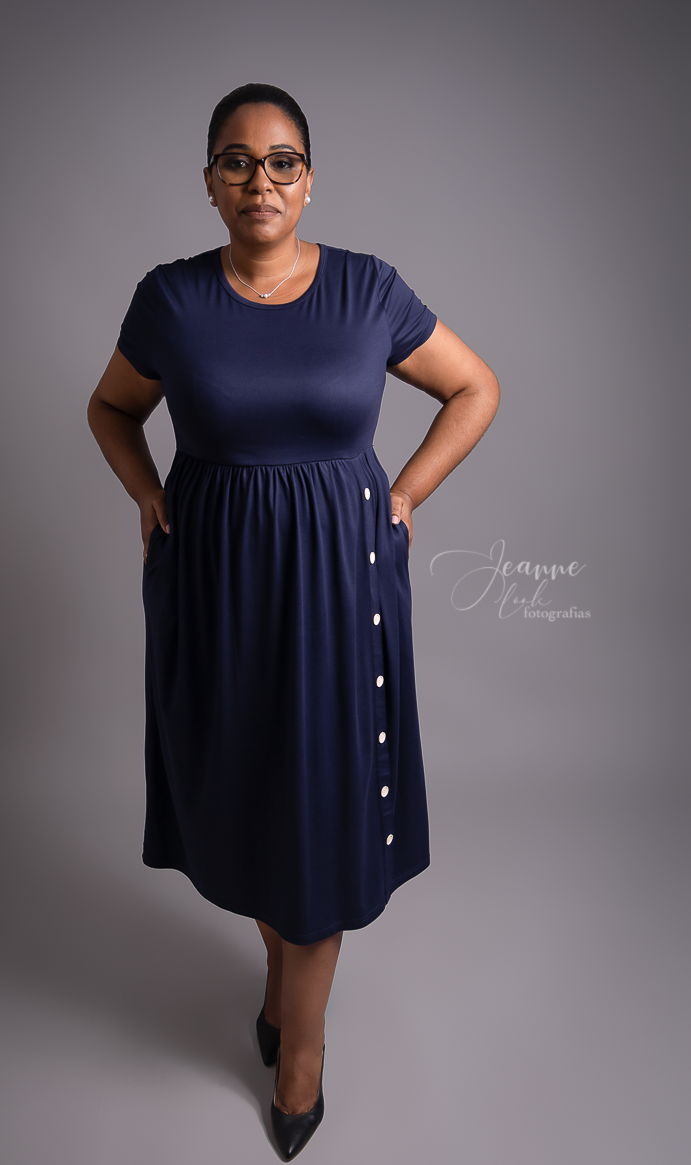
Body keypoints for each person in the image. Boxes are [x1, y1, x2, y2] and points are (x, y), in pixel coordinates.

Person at [87, 82, 500, 1160]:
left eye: (281, 162)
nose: (259, 181)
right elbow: (111, 407)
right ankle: (279, 988)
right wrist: (145, 492)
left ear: (308, 180)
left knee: (319, 809)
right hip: (216, 587)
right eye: (237, 161)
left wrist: (403, 496)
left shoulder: (367, 290)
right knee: (249, 794)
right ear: (210, 182)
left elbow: (474, 389)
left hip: (338, 586)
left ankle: (300, 1052)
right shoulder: (172, 300)